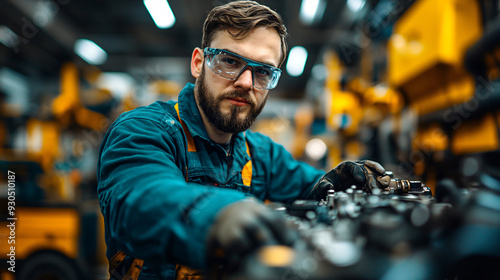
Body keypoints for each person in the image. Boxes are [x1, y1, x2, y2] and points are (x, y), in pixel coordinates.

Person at [97, 1, 390, 279]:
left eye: (263, 71)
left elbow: (309, 187)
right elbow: (139, 200)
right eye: (229, 61)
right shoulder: (142, 131)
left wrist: (337, 184)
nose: (246, 82)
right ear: (199, 63)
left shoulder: (261, 153)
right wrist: (217, 214)